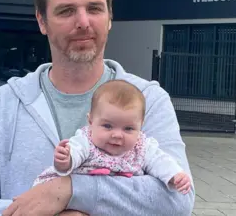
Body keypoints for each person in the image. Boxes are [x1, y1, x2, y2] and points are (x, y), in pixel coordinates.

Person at [0, 0, 195, 216]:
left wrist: (71, 191)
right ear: (42, 21)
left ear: (110, 17)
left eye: (94, 8)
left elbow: (178, 201)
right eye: (66, 11)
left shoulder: (149, 100)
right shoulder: (5, 104)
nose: (83, 22)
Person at [32, 79, 192, 195]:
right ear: (91, 121)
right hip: (72, 198)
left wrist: (174, 175)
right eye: (107, 126)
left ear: (140, 126)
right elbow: (76, 152)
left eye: (128, 128)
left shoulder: (142, 147)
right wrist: (65, 160)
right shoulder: (86, 140)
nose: (117, 135)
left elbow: (160, 161)